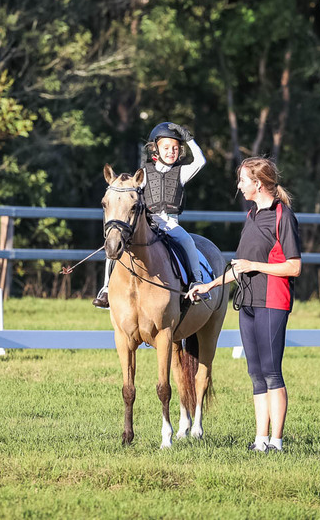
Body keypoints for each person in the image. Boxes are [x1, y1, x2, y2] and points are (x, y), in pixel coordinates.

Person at [187, 157, 302, 452]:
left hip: (273, 301)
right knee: (255, 373)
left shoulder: (283, 216)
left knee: (272, 371)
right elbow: (240, 266)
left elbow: (293, 267)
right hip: (248, 302)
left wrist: (256, 265)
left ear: (258, 183)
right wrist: (209, 285)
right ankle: (260, 440)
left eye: (242, 180)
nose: (239, 186)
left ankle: (276, 442)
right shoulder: (251, 216)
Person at [93, 122, 208, 309]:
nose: (171, 151)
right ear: (155, 149)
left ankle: (196, 281)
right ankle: (106, 288)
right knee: (114, 246)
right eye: (166, 148)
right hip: (148, 221)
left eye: (176, 148)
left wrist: (189, 138)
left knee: (187, 241)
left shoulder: (181, 173)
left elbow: (200, 161)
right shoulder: (144, 173)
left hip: (170, 222)